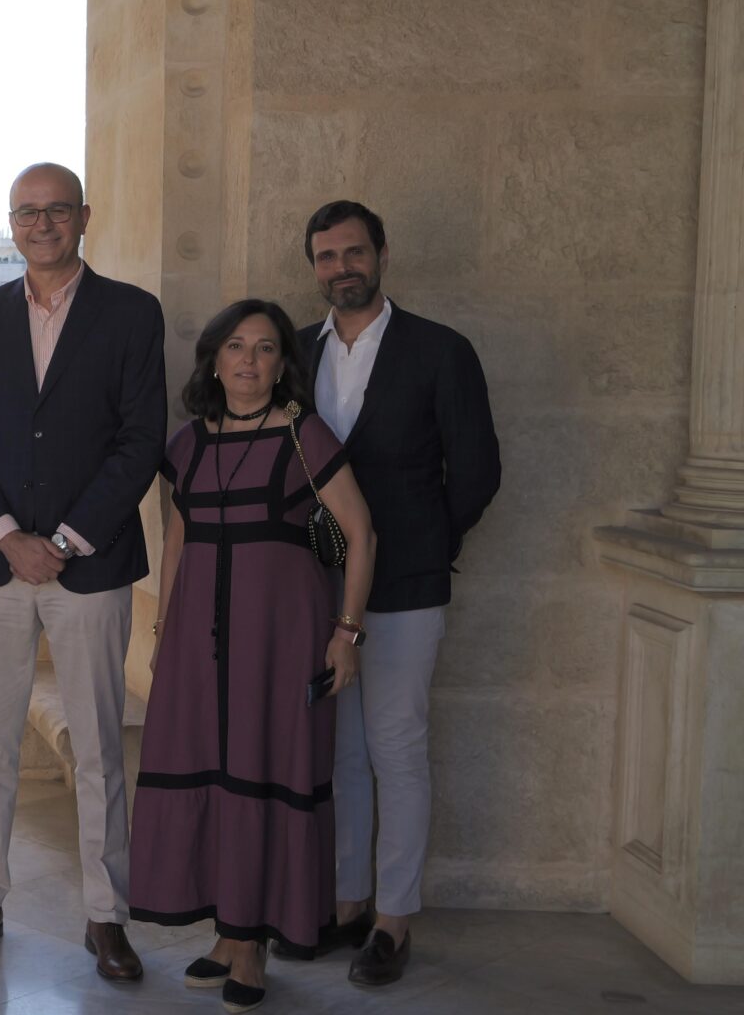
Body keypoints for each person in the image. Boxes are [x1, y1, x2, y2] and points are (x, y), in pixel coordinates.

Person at [0, 162, 166, 979]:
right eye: (27, 212)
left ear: (83, 217)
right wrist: (7, 536)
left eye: (56, 210)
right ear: (13, 222)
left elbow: (141, 442)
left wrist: (64, 541)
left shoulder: (134, 315)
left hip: (92, 567)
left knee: (102, 745)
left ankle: (107, 916)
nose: (41, 224)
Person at [127, 299, 376, 1013]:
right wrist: (165, 632)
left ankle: (254, 947)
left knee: (265, 776)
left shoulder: (307, 435)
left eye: (265, 349)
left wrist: (346, 633)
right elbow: (177, 540)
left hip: (282, 641)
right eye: (236, 346)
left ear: (281, 364)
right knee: (209, 777)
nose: (248, 361)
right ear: (214, 358)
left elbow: (362, 534)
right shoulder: (187, 444)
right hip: (199, 645)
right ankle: (226, 934)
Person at [294, 201, 501, 986]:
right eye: (325, 256)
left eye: (353, 252)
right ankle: (346, 904)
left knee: (396, 747)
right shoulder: (298, 352)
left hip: (406, 589)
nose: (340, 267)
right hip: (318, 586)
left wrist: (424, 544)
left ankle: (393, 918)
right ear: (313, 265)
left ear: (381, 254)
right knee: (340, 751)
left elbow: (477, 470)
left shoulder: (440, 351)